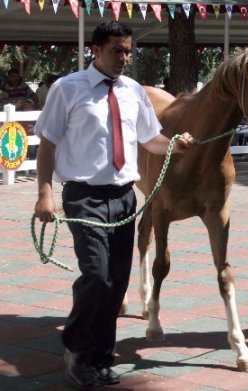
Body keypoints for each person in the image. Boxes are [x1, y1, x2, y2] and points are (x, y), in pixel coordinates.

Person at [33, 21, 195, 389]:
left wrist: (174, 144)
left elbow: (149, 138)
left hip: (124, 197)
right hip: (83, 195)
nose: (125, 58)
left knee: (117, 280)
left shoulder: (133, 91)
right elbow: (47, 145)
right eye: (117, 51)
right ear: (95, 50)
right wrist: (44, 192)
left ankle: (102, 357)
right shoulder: (67, 89)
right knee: (97, 274)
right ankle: (75, 347)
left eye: (128, 50)